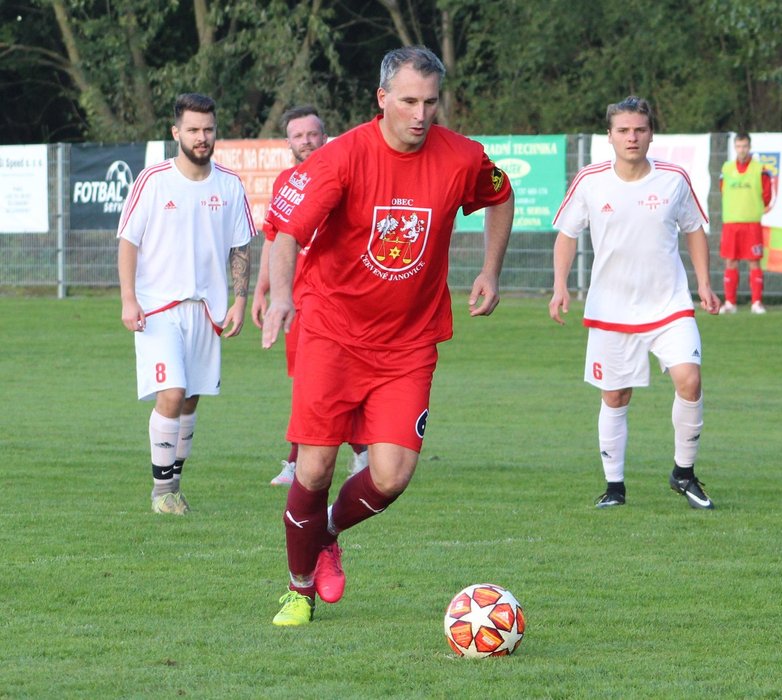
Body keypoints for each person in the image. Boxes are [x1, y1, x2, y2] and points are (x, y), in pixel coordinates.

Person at [261, 46, 514, 626]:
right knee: (315, 470)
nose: (421, 114)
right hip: (332, 332)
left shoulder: (463, 158)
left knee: (392, 476)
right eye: (408, 101)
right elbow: (287, 233)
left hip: (408, 343)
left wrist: (490, 270)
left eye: (430, 101)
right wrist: (281, 298)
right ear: (382, 98)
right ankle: (298, 588)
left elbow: (500, 196)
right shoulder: (341, 157)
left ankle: (323, 533)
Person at [549, 95, 721, 511]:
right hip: (611, 309)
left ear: (650, 134)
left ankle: (683, 473)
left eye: (639, 130)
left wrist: (704, 283)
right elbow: (568, 234)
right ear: (609, 136)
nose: (632, 137)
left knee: (690, 379)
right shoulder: (590, 180)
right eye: (623, 130)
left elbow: (694, 229)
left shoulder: (673, 179)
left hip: (669, 304)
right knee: (615, 397)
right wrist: (560, 286)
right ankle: (615, 487)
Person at [118, 93, 254, 515]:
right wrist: (128, 299)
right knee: (172, 393)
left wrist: (239, 300)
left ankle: (175, 486)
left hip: (207, 309)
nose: (202, 137)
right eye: (193, 130)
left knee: (191, 399)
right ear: (176, 132)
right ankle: (161, 494)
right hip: (158, 308)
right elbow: (128, 240)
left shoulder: (229, 185)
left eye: (208, 129)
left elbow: (240, 246)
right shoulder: (154, 180)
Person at [250, 105, 369, 486]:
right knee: (309, 380)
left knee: (329, 381)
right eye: (298, 136)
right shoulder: (287, 182)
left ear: (325, 135)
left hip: (338, 297)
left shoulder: (348, 177)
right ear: (288, 142)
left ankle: (302, 460)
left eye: (313, 134)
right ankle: (359, 452)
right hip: (297, 298)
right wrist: (262, 289)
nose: (306, 141)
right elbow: (274, 237)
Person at [718, 131, 772, 314]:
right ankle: (730, 303)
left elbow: (767, 195)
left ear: (749, 147)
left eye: (744, 146)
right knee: (730, 262)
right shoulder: (726, 168)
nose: (741, 150)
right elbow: (722, 190)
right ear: (734, 147)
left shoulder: (760, 169)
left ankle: (756, 303)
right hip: (731, 223)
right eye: (738, 146)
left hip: (751, 223)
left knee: (754, 262)